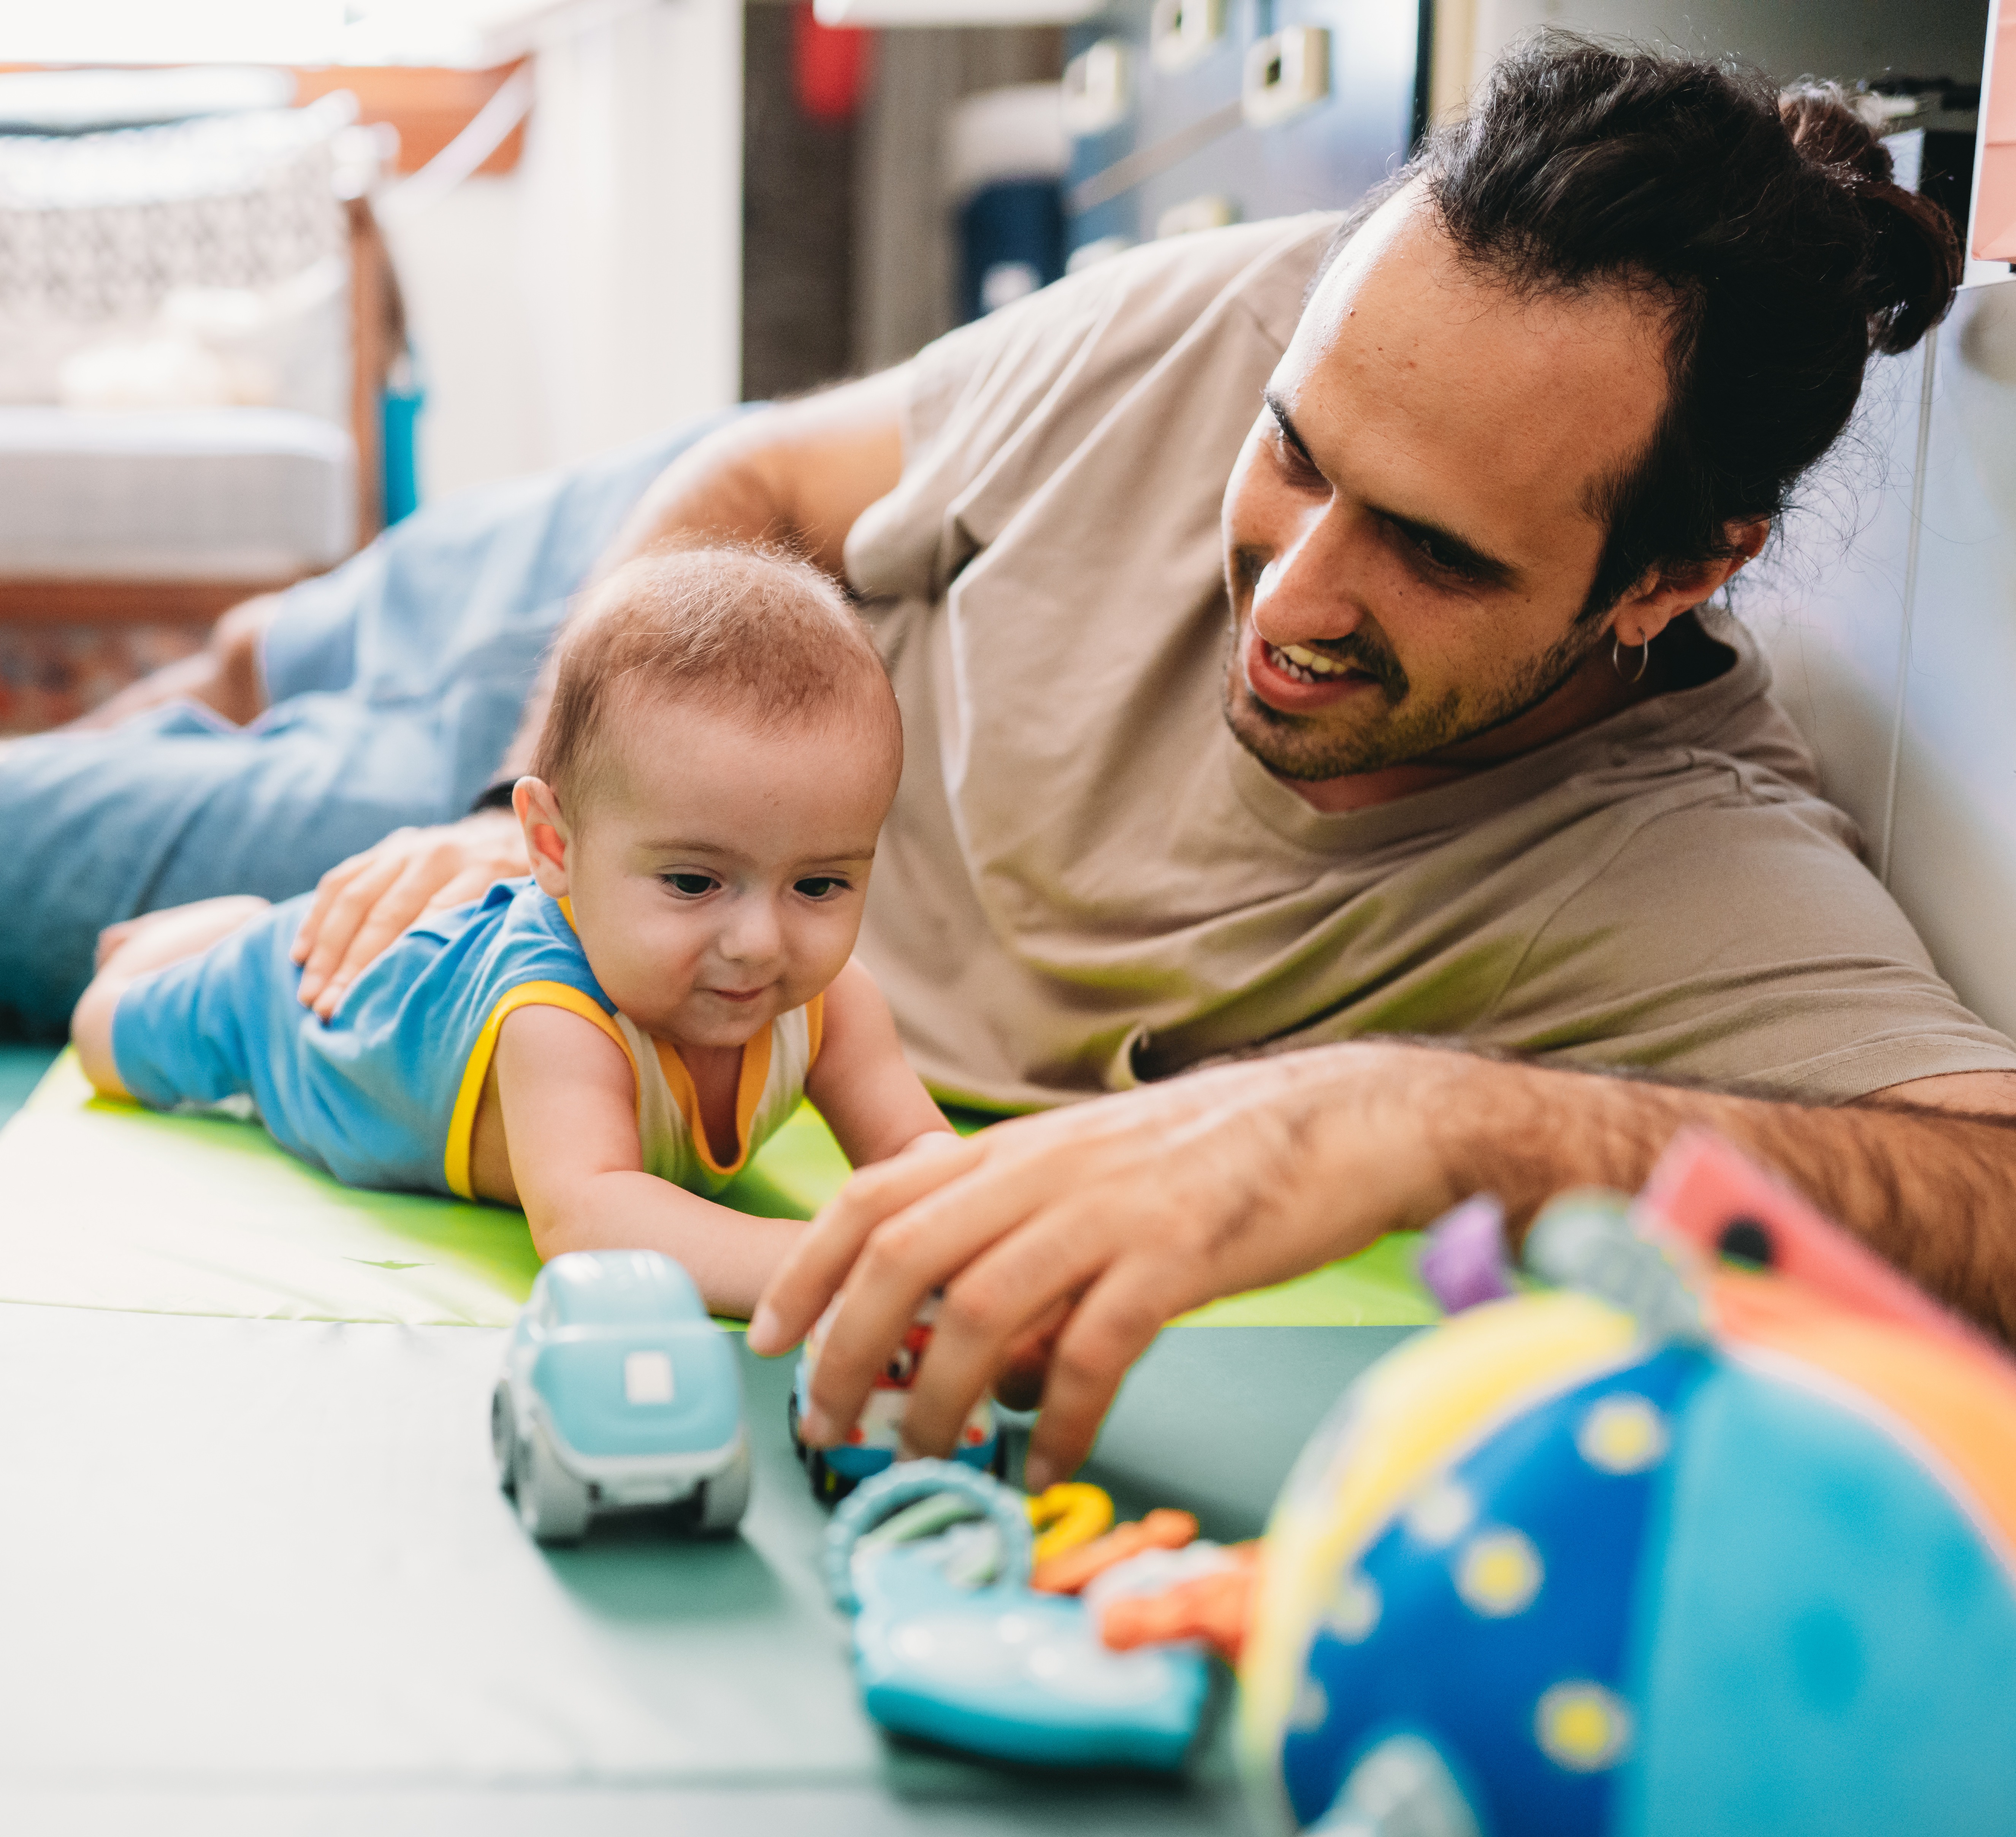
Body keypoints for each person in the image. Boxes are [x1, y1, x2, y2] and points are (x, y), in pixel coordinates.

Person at [7, 40, 2014, 1475]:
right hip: (623, 657)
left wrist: (1426, 1116)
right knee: (257, 661)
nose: (1290, 588)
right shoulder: (1235, 311)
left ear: (1675, 568)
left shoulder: (1687, 858)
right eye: (1298, 454)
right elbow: (773, 477)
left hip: (676, 864)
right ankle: (272, 677)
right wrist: (520, 841)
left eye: (1431, 550)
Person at [69, 545, 949, 1312]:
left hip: (418, 963)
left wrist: (970, 1239)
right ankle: (198, 936)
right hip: (306, 1001)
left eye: (820, 884)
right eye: (693, 881)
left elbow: (916, 1152)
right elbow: (591, 1214)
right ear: (551, 846)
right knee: (107, 1040)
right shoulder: (557, 1016)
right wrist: (844, 1265)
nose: (760, 941)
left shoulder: (833, 1002)